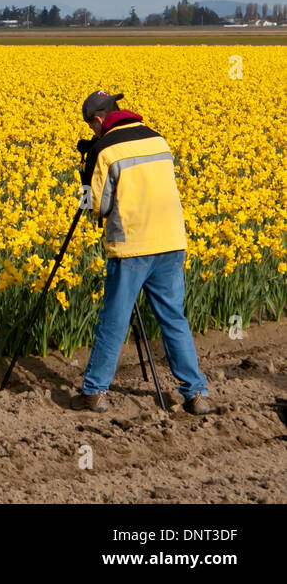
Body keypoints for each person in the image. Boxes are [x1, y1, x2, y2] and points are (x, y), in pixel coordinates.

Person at [70, 91, 213, 415]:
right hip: (171, 242)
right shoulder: (157, 139)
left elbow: (97, 205)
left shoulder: (105, 149)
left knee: (113, 322)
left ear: (97, 120)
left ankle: (94, 392)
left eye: (92, 127)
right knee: (174, 319)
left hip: (132, 246)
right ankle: (197, 393)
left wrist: (84, 176)